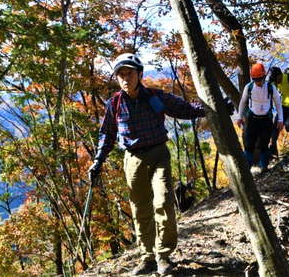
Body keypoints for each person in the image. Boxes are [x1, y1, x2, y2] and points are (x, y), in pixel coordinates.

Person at [88, 53, 206, 276]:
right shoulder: (115, 103)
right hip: (132, 159)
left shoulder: (154, 96)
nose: (125, 79)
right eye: (121, 75)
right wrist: (98, 161)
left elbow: (182, 108)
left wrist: (212, 107)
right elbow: (107, 135)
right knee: (140, 209)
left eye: (129, 73)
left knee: (163, 202)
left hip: (158, 153)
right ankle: (147, 257)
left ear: (139, 74)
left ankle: (163, 256)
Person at [236, 63, 284, 172]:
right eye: (255, 79)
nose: (257, 82)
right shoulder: (249, 87)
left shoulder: (271, 88)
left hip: (266, 120)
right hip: (252, 119)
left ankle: (264, 167)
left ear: (263, 77)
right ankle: (246, 169)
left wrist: (280, 119)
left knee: (264, 144)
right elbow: (243, 102)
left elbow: (278, 104)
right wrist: (239, 116)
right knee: (249, 145)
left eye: (259, 79)